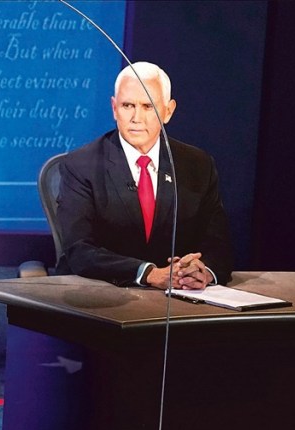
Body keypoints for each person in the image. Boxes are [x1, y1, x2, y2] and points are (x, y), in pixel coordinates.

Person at [54, 62, 234, 289]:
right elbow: (79, 250)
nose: (136, 117)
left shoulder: (198, 165)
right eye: (127, 105)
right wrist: (148, 273)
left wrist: (203, 271)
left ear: (168, 111)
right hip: (99, 295)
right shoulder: (81, 165)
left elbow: (219, 245)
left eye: (148, 106)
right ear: (114, 108)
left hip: (176, 301)